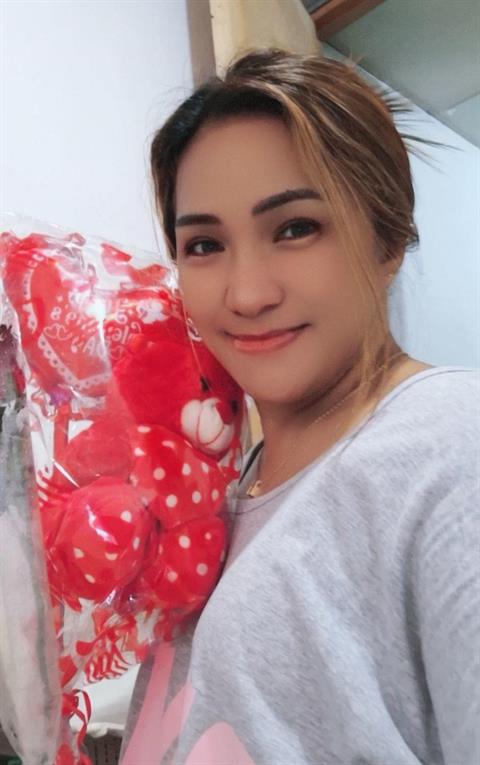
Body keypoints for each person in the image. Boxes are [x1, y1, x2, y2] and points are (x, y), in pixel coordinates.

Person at [120, 49, 479, 765]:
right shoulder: (223, 489)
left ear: (387, 238)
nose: (247, 293)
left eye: (294, 228)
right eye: (204, 244)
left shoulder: (451, 448)